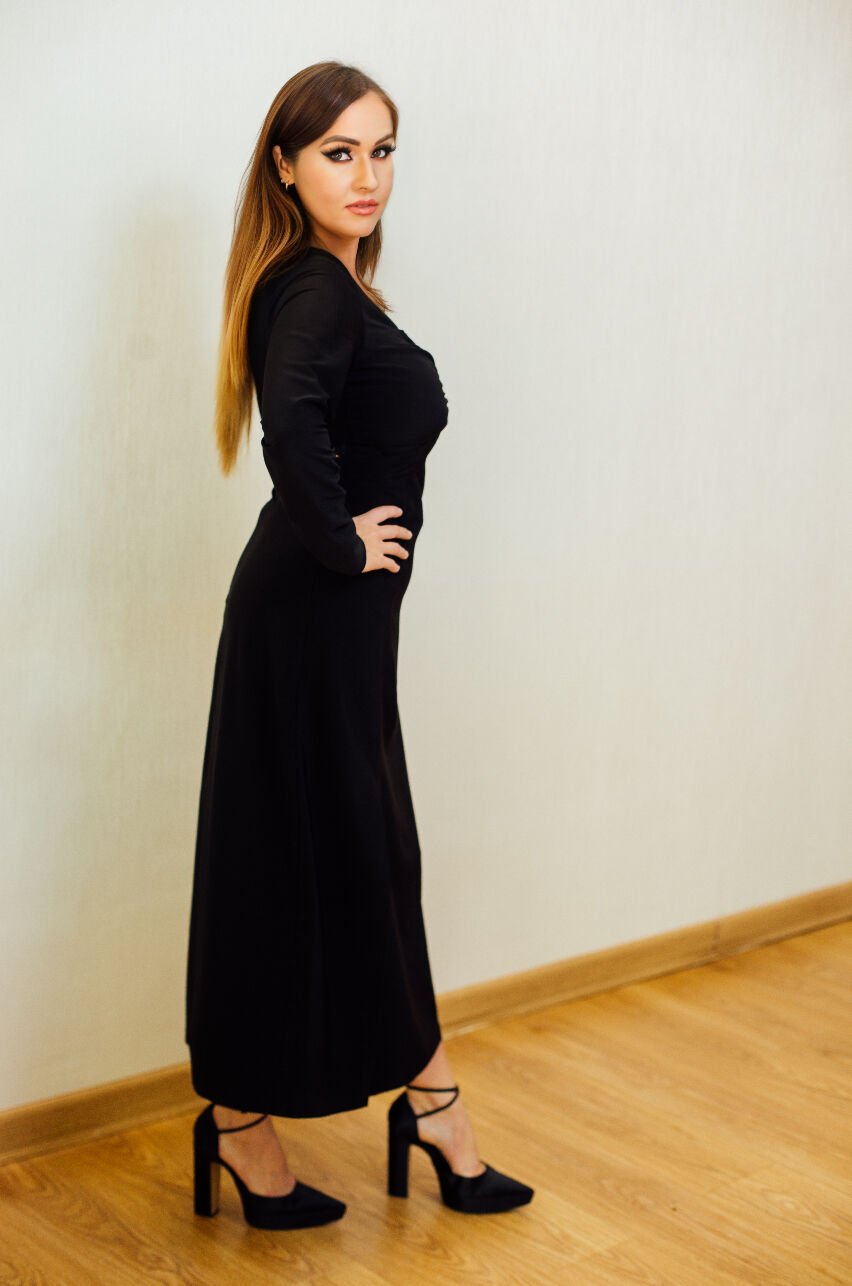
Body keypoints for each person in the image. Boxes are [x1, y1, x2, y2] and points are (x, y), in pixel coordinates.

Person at [184, 60, 534, 1230]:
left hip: (328, 627)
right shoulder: (315, 289)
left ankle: (372, 1109)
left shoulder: (331, 284)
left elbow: (304, 419)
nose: (367, 174)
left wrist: (341, 552)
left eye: (382, 150)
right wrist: (340, 542)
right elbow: (291, 421)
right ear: (285, 166)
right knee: (336, 855)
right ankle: (376, 1114)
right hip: (312, 620)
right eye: (339, 151)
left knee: (341, 853)